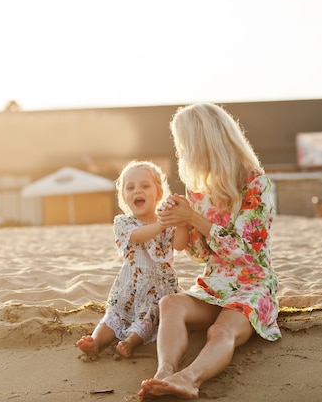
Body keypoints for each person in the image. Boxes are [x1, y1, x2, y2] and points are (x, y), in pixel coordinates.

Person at [138, 103, 281, 399]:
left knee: (221, 331)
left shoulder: (256, 183)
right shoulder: (198, 189)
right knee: (170, 304)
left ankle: (189, 379)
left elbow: (246, 253)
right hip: (214, 285)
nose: (182, 152)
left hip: (251, 286)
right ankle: (165, 372)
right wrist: (179, 220)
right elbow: (202, 255)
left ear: (203, 141)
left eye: (184, 144)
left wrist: (195, 219)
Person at [77, 160, 189, 359]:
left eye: (145, 186)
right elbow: (138, 236)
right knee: (113, 315)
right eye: (130, 188)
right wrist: (163, 223)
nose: (138, 191)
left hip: (158, 290)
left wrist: (182, 222)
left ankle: (131, 341)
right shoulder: (124, 222)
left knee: (149, 317)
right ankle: (96, 341)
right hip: (130, 287)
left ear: (159, 194)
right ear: (124, 197)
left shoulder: (166, 223)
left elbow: (180, 245)